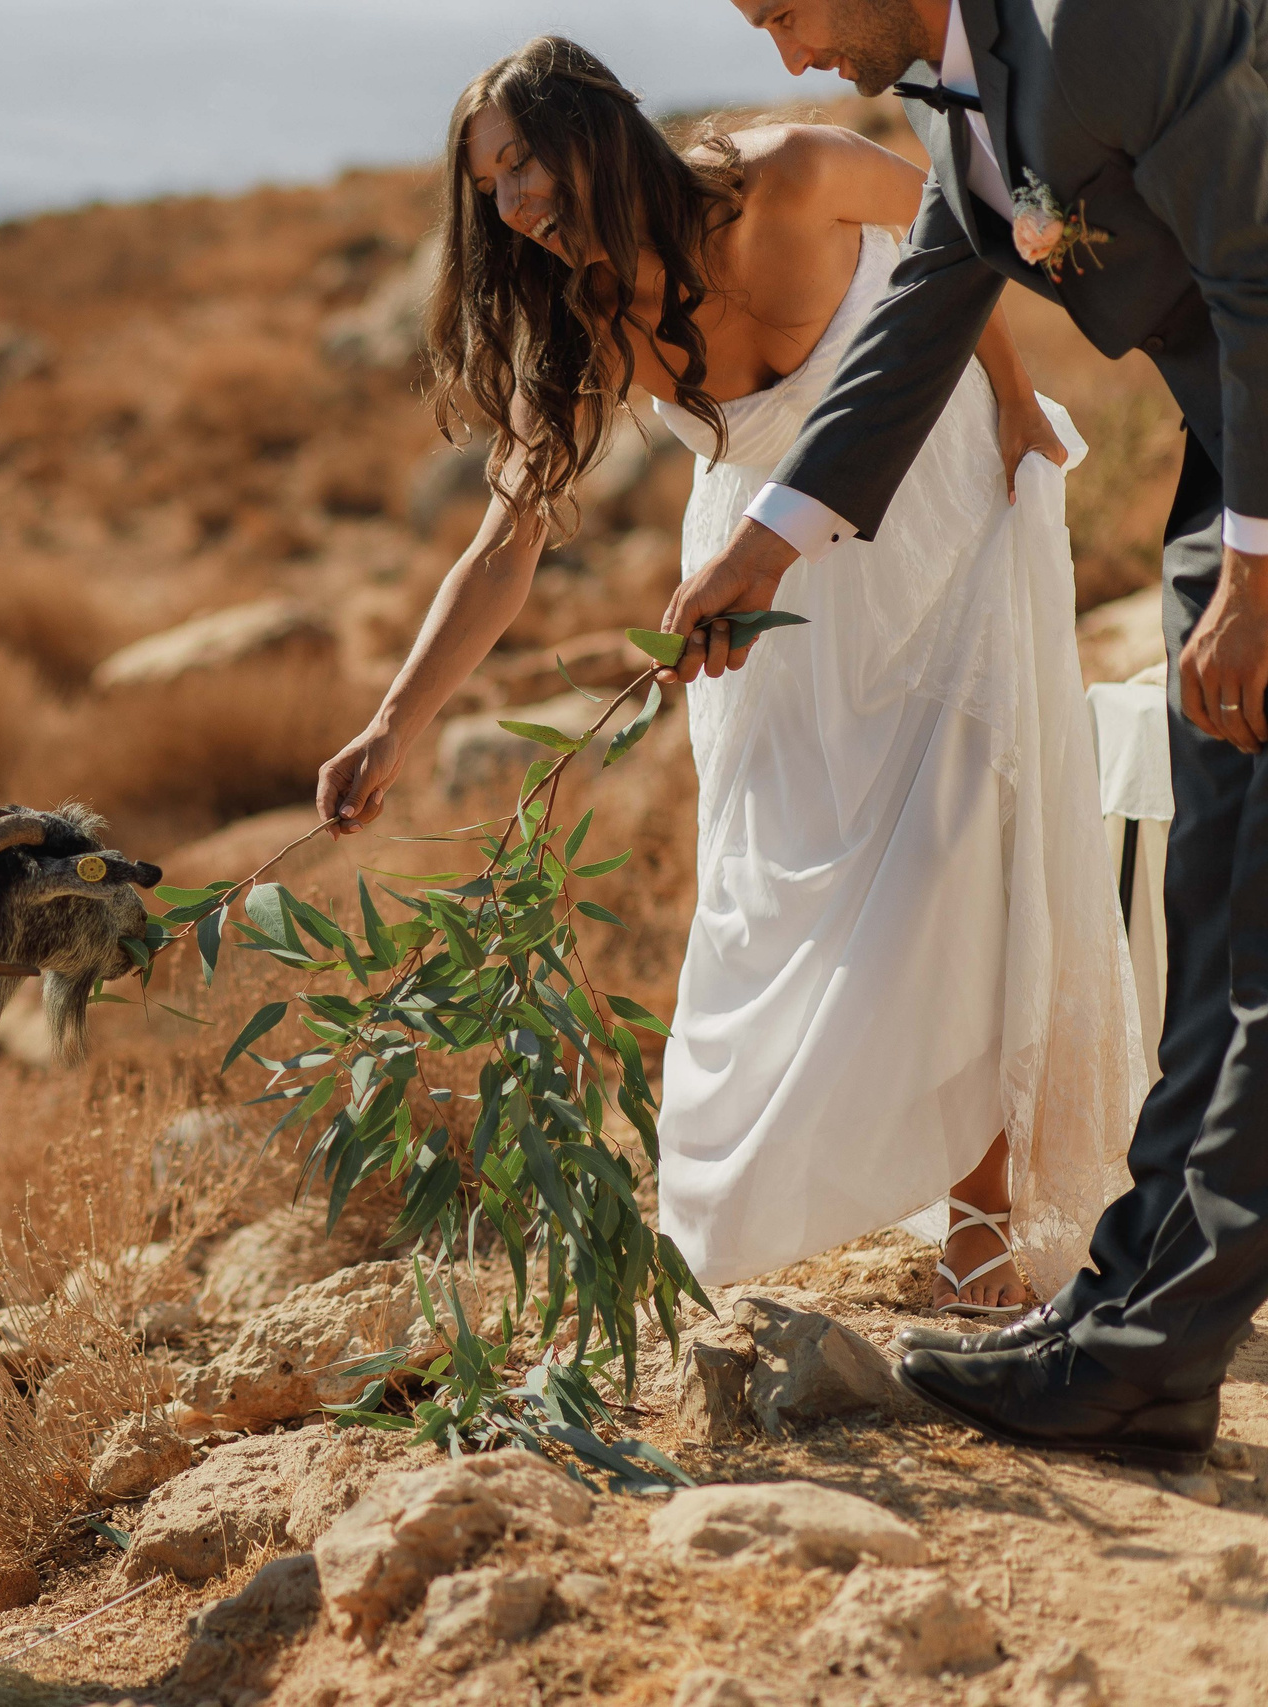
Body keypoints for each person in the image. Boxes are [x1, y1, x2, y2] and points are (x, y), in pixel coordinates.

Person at [316, 36, 1142, 1318]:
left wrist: (1017, 401)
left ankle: (982, 1227)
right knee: (782, 883)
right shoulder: (576, 320)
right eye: (486, 188)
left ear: (589, 130)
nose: (509, 204)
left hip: (939, 514)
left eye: (519, 163)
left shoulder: (795, 171)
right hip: (759, 594)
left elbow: (962, 234)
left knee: (960, 851)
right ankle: (777, 1203)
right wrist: (389, 724)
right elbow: (504, 540)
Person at [677, 0, 1268, 1472]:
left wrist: (1259, 574)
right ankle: (1127, 1310)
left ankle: (1151, 1354)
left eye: (786, 10)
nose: (787, 58)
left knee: (1264, 943)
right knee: (1212, 904)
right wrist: (769, 546)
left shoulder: (1104, 23)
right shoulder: (965, 99)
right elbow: (920, 323)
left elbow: (1262, 268)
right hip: (1233, 459)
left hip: (1261, 494)